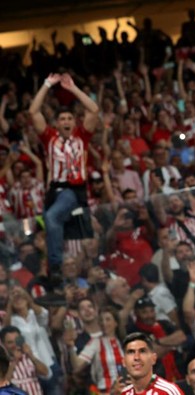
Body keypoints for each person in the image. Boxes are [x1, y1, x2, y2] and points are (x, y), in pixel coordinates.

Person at [28, 72, 99, 291]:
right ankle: (54, 275)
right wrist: (47, 84)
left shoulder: (82, 136)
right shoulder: (49, 137)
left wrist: (73, 89)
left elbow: (94, 110)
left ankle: (56, 266)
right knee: (50, 226)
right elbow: (33, 111)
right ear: (56, 124)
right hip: (54, 191)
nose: (66, 121)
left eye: (69, 118)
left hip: (73, 190)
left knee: (51, 217)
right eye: (62, 119)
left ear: (74, 122)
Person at [65, 308, 124, 395]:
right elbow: (77, 366)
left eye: (108, 320)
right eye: (101, 320)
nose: (104, 323)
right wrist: (71, 347)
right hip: (104, 391)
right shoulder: (95, 342)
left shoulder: (123, 343)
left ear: (116, 323)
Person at [117, 332, 184, 394]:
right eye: (131, 352)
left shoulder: (169, 391)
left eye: (142, 351)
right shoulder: (123, 393)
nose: (136, 357)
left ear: (153, 359)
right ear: (124, 362)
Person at [0, 326, 47, 394]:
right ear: (3, 344)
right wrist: (14, 362)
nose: (15, 345)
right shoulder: (3, 362)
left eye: (17, 341)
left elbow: (45, 372)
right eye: (10, 342)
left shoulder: (29, 356)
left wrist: (31, 356)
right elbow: (4, 384)